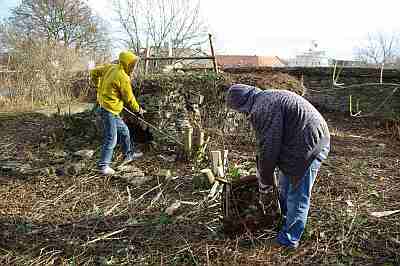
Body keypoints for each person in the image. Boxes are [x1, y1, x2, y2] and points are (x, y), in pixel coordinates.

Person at [226, 84, 330, 250]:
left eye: (238, 110)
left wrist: (265, 180)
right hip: (300, 139)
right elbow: (265, 144)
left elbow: (270, 148)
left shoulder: (263, 107)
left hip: (310, 143)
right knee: (284, 185)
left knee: (297, 194)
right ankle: (282, 219)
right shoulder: (263, 98)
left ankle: (289, 239)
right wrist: (262, 170)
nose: (241, 114)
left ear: (242, 104)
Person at [90, 51, 144, 175]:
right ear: (127, 63)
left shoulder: (111, 67)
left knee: (125, 131)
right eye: (133, 65)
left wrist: (97, 86)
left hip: (110, 108)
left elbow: (93, 72)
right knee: (111, 138)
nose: (134, 68)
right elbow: (129, 98)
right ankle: (103, 166)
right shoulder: (123, 77)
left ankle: (128, 155)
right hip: (108, 110)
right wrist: (138, 110)